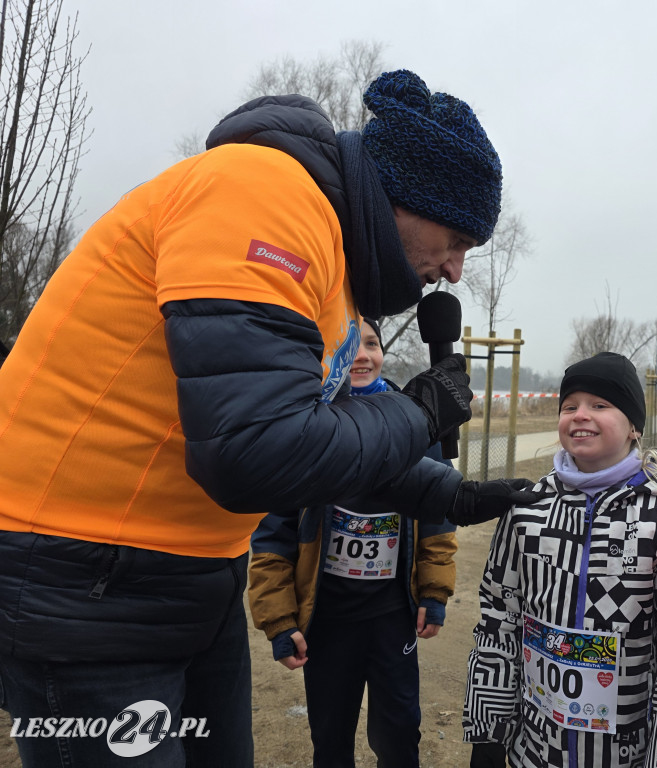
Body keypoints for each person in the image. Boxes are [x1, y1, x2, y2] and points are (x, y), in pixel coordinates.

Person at [0, 69, 522, 767]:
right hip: (87, 585)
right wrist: (419, 411)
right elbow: (254, 453)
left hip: (185, 573)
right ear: (404, 197)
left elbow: (325, 449)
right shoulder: (263, 194)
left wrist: (446, 495)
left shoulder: (332, 273)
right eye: (456, 239)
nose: (455, 270)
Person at [249, 318, 458, 768]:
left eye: (371, 343)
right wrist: (279, 621)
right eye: (346, 344)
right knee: (330, 737)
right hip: (328, 621)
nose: (361, 354)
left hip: (392, 616)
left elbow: (437, 520)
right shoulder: (300, 429)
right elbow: (272, 535)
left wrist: (435, 592)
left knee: (401, 733)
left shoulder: (417, 423)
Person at [464, 352, 657, 768]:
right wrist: (489, 735)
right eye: (569, 406)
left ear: (634, 426)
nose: (581, 415)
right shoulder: (527, 509)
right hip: (535, 751)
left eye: (600, 405)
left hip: (623, 756)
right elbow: (498, 619)